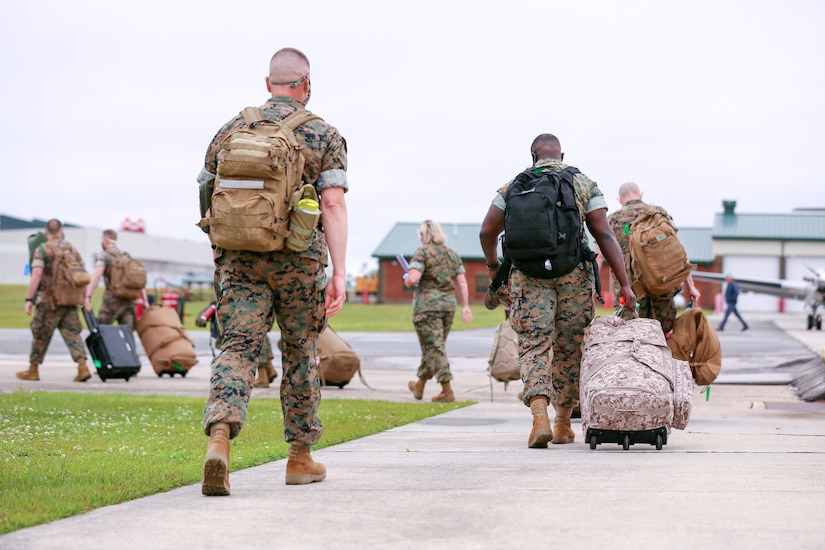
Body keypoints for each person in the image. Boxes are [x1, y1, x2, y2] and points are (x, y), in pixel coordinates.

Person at [198, 47, 348, 496]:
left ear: (268, 85)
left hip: (240, 257)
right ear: (306, 84)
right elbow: (333, 203)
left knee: (238, 347)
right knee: (301, 350)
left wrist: (221, 248)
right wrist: (340, 271)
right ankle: (300, 457)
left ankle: (221, 437)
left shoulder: (233, 127)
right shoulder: (323, 133)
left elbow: (207, 187)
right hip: (299, 261)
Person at [479, 134, 636, 449]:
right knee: (570, 347)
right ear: (561, 154)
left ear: (533, 155)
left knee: (534, 344)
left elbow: (486, 231)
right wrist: (625, 284)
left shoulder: (513, 186)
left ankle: (539, 418)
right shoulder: (583, 182)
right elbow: (603, 232)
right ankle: (563, 424)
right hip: (573, 275)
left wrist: (494, 266)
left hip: (527, 277)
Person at [605, 182, 701, 334]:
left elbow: (598, 258)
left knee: (630, 341)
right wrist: (691, 286)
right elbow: (677, 251)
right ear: (641, 194)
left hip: (630, 295)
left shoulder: (612, 220)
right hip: (661, 288)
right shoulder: (657, 214)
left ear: (619, 199)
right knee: (661, 338)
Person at [405, 220, 474, 403]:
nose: (420, 238)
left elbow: (414, 278)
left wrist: (408, 279)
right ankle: (419, 385)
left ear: (425, 235)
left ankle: (447, 390)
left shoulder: (422, 252)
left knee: (435, 348)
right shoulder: (452, 255)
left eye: (421, 234)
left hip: (427, 308)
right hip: (448, 307)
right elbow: (462, 282)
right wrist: (465, 306)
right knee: (434, 347)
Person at [18, 218, 91, 383]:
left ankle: (33, 369)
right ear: (61, 231)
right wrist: (85, 298)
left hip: (49, 301)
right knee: (72, 334)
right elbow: (83, 275)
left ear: (46, 233)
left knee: (40, 334)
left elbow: (36, 275)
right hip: (71, 300)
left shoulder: (42, 249)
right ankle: (82, 367)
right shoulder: (72, 249)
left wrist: (29, 299)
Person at [83, 229, 138, 334]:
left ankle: (104, 350)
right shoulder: (127, 256)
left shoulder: (104, 255)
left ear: (105, 240)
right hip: (129, 300)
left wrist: (87, 295)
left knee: (101, 329)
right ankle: (128, 350)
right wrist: (144, 301)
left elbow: (97, 274)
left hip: (113, 300)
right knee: (128, 333)